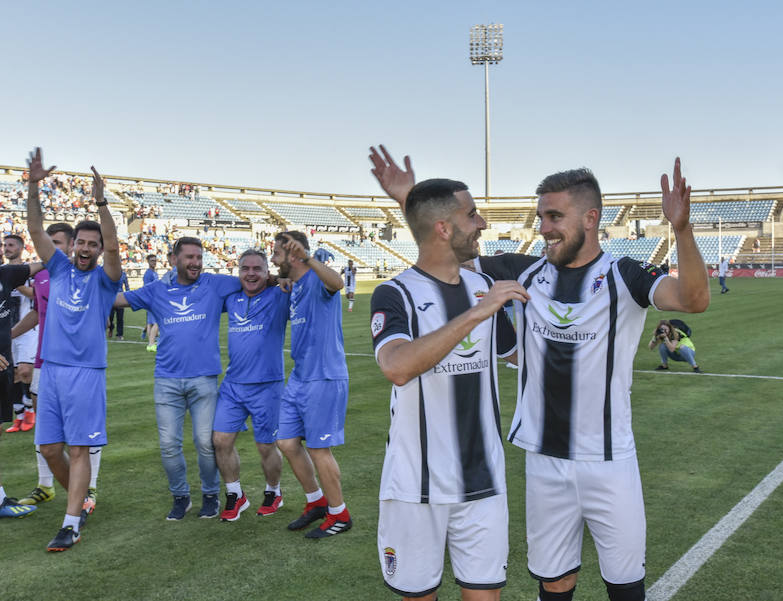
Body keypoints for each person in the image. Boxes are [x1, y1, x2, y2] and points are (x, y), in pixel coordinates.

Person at [370, 146, 710, 601]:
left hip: (610, 457)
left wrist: (682, 230)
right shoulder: (522, 271)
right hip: (543, 459)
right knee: (553, 581)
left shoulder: (625, 274)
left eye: (554, 217)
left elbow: (693, 299)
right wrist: (410, 198)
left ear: (590, 219)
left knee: (625, 584)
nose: (543, 228)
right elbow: (444, 245)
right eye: (540, 218)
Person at [368, 176, 525, 600]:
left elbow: (516, 355)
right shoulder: (394, 293)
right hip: (417, 486)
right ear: (443, 228)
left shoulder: (480, 287)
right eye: (471, 214)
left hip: (483, 478)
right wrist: (479, 313)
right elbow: (397, 366)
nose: (483, 222)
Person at [27, 148, 122, 552]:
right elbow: (35, 232)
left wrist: (101, 202)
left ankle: (70, 523)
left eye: (91, 244)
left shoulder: (106, 280)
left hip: (86, 374)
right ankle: (80, 503)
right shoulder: (60, 267)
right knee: (49, 449)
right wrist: (32, 186)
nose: (84, 248)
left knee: (79, 447)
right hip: (51, 371)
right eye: (80, 243)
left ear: (98, 250)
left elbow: (116, 247)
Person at [115, 236, 240, 520]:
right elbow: (118, 300)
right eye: (189, 257)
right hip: (167, 380)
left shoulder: (215, 284)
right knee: (169, 445)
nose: (196, 263)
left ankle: (210, 495)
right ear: (174, 259)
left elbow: (252, 279)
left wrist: (279, 281)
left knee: (205, 444)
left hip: (204, 379)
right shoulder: (156, 290)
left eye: (199, 257)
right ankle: (180, 497)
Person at [13, 223, 105, 511]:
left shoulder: (84, 277)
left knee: (83, 433)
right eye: (49, 242)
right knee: (47, 432)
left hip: (80, 365)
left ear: (71, 245)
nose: (51, 248)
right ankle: (46, 485)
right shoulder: (43, 275)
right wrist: (9, 337)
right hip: (45, 360)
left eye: (57, 243)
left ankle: (88, 488)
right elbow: (38, 314)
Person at [271, 231, 352, 538]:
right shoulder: (295, 285)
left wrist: (308, 258)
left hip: (325, 376)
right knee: (287, 442)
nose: (273, 258)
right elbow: (273, 279)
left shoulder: (318, 280)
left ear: (293, 254)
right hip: (300, 376)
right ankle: (316, 501)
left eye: (277, 253)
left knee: (319, 449)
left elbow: (338, 284)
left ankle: (340, 514)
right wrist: (279, 279)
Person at [213, 248, 290, 521]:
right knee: (220, 441)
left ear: (266, 272)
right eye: (245, 268)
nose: (251, 273)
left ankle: (273, 491)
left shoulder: (279, 296)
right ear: (238, 272)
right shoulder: (232, 299)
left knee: (266, 446)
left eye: (258, 269)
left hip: (267, 385)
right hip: (233, 384)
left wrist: (280, 279)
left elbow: (297, 282)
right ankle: (235, 495)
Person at [3, 234, 38, 433]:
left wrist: (15, 282)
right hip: (5, 328)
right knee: (11, 373)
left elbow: (36, 295)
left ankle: (30, 410)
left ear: (21, 248)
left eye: (11, 245)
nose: (7, 248)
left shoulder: (28, 272)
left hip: (27, 329)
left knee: (25, 371)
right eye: (5, 245)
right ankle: (20, 415)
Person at [142, 254, 160, 352]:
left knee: (151, 322)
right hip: (151, 300)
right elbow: (147, 288)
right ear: (148, 262)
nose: (154, 262)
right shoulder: (148, 274)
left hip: (156, 299)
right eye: (152, 260)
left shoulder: (154, 273)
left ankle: (151, 342)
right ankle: (151, 343)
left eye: (155, 260)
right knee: (154, 322)